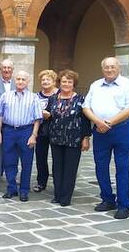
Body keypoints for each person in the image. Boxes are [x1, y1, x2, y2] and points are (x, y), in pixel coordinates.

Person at [83, 57, 129, 219]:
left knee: (122, 168)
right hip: (100, 131)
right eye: (106, 67)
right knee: (100, 166)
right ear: (102, 69)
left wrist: (109, 122)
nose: (109, 70)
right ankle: (107, 199)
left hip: (122, 130)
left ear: (118, 68)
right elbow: (86, 107)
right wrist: (97, 122)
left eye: (112, 67)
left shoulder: (128, 85)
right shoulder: (95, 85)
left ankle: (124, 205)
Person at [0, 70, 43, 202]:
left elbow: (38, 119)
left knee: (26, 163)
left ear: (28, 82)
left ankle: (24, 190)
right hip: (9, 131)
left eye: (23, 79)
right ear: (14, 81)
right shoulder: (6, 95)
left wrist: (34, 135)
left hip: (26, 132)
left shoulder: (34, 97)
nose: (20, 81)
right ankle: (11, 188)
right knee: (9, 162)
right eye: (18, 79)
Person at [46, 70, 91, 206]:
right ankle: (57, 195)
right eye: (64, 81)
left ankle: (66, 198)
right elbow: (49, 115)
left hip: (74, 139)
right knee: (57, 168)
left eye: (69, 82)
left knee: (70, 169)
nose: (66, 84)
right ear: (60, 83)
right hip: (56, 138)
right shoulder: (53, 98)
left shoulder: (80, 99)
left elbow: (85, 120)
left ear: (74, 84)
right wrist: (46, 115)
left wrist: (86, 138)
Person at [35, 69, 58, 193]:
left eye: (48, 79)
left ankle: (58, 183)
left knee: (57, 158)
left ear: (54, 81)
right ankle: (41, 182)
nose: (45, 81)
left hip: (56, 130)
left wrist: (51, 115)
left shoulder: (60, 94)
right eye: (43, 79)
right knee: (40, 157)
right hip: (41, 131)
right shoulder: (37, 96)